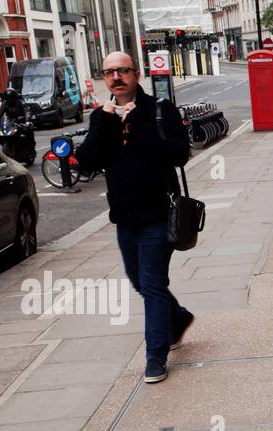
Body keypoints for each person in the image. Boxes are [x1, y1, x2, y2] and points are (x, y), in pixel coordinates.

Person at [75, 52, 194, 384]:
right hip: (125, 218)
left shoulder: (159, 109)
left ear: (136, 74)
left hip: (159, 212)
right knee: (140, 281)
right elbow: (86, 161)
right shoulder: (102, 116)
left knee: (153, 283)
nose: (116, 77)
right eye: (109, 72)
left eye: (122, 71)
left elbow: (179, 153)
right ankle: (179, 317)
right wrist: (107, 123)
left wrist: (138, 123)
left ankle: (155, 356)